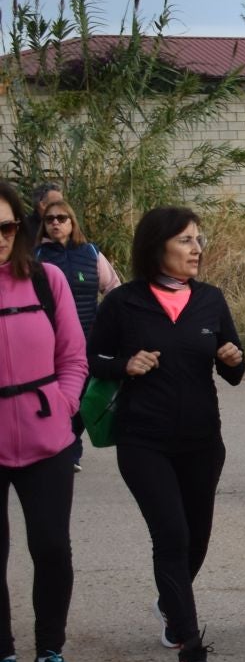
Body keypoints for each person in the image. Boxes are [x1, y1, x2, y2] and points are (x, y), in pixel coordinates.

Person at [89, 206, 245, 662]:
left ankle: (169, 603)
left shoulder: (211, 301)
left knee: (196, 539)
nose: (197, 249)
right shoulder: (124, 303)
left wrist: (232, 357)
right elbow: (92, 356)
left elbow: (236, 372)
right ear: (157, 246)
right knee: (172, 538)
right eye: (185, 240)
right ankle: (190, 650)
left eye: (199, 239)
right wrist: (124, 365)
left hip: (202, 442)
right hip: (144, 442)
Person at [0, 182, 89, 662]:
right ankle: (3, 657)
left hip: (46, 435)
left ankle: (49, 656)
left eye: (7, 228)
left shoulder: (46, 280)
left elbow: (74, 358)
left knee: (52, 548)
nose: (0, 239)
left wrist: (64, 403)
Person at [35, 188, 121, 471]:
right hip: (50, 340)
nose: (56, 223)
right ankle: (64, 448)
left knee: (86, 396)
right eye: (50, 219)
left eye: (62, 218)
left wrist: (111, 325)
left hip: (88, 337)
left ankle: (71, 444)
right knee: (59, 393)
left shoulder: (91, 253)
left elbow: (113, 290)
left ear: (73, 222)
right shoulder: (36, 258)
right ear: (44, 225)